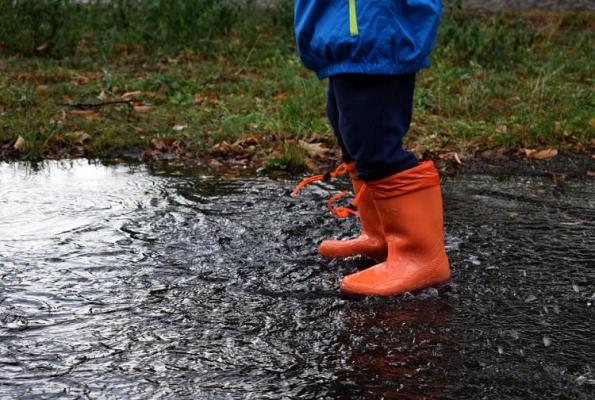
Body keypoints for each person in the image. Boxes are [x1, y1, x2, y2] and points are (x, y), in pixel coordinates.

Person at [291, 0, 451, 296]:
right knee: (348, 127)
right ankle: (381, 235)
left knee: (373, 139)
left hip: (375, 28)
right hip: (347, 30)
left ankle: (419, 256)